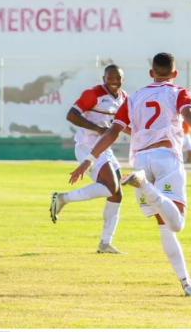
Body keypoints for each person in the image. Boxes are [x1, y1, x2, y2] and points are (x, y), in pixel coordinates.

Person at [68, 52, 191, 297]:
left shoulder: (132, 98)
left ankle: (187, 283)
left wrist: (89, 159)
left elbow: (112, 133)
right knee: (176, 224)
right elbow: (189, 115)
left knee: (165, 228)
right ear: (174, 74)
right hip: (166, 158)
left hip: (141, 161)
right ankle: (145, 186)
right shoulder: (178, 92)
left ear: (151, 73)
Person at [49, 65, 128, 254]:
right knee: (111, 187)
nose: (114, 81)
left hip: (104, 147)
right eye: (110, 77)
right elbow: (71, 115)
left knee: (116, 194)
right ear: (104, 78)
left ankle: (105, 244)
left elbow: (123, 124)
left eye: (117, 77)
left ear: (122, 79)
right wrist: (98, 129)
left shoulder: (124, 97)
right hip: (87, 146)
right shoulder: (92, 94)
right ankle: (62, 198)